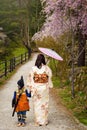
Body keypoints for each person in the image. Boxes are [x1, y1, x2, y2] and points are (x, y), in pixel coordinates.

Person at [27, 54, 53, 126]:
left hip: (36, 88)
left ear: (37, 60)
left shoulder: (33, 69)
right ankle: (44, 121)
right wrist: (48, 84)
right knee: (44, 105)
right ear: (43, 60)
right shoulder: (47, 68)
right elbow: (49, 77)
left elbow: (30, 79)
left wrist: (32, 88)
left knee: (37, 105)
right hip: (44, 88)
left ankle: (38, 121)